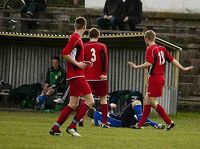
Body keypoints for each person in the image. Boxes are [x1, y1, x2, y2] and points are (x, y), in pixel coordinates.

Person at [128, 30, 194, 130]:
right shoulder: (162, 48)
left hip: (155, 78)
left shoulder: (150, 49)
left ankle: (169, 122)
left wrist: (136, 67)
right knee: (146, 100)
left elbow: (149, 63)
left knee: (153, 102)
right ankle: (140, 125)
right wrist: (183, 68)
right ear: (154, 38)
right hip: (159, 77)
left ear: (146, 39)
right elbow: (172, 60)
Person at [49, 17, 95, 137]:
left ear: (75, 26)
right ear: (84, 27)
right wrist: (78, 64)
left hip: (74, 75)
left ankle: (55, 128)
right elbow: (64, 53)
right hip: (77, 75)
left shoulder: (76, 38)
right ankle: (72, 126)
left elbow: (73, 56)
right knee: (90, 101)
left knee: (73, 104)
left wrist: (84, 62)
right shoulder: (75, 37)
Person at [87, 92, 165, 129]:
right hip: (122, 119)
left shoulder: (95, 121)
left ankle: (154, 124)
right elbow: (114, 105)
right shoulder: (99, 110)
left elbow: (94, 122)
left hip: (123, 124)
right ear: (94, 109)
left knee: (135, 117)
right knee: (136, 103)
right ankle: (151, 123)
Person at [84, 28, 109, 128]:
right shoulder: (102, 46)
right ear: (98, 36)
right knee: (103, 99)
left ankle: (80, 120)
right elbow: (104, 60)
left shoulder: (84, 46)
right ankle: (104, 122)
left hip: (87, 77)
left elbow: (82, 61)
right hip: (100, 77)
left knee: (85, 99)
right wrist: (104, 73)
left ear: (89, 36)